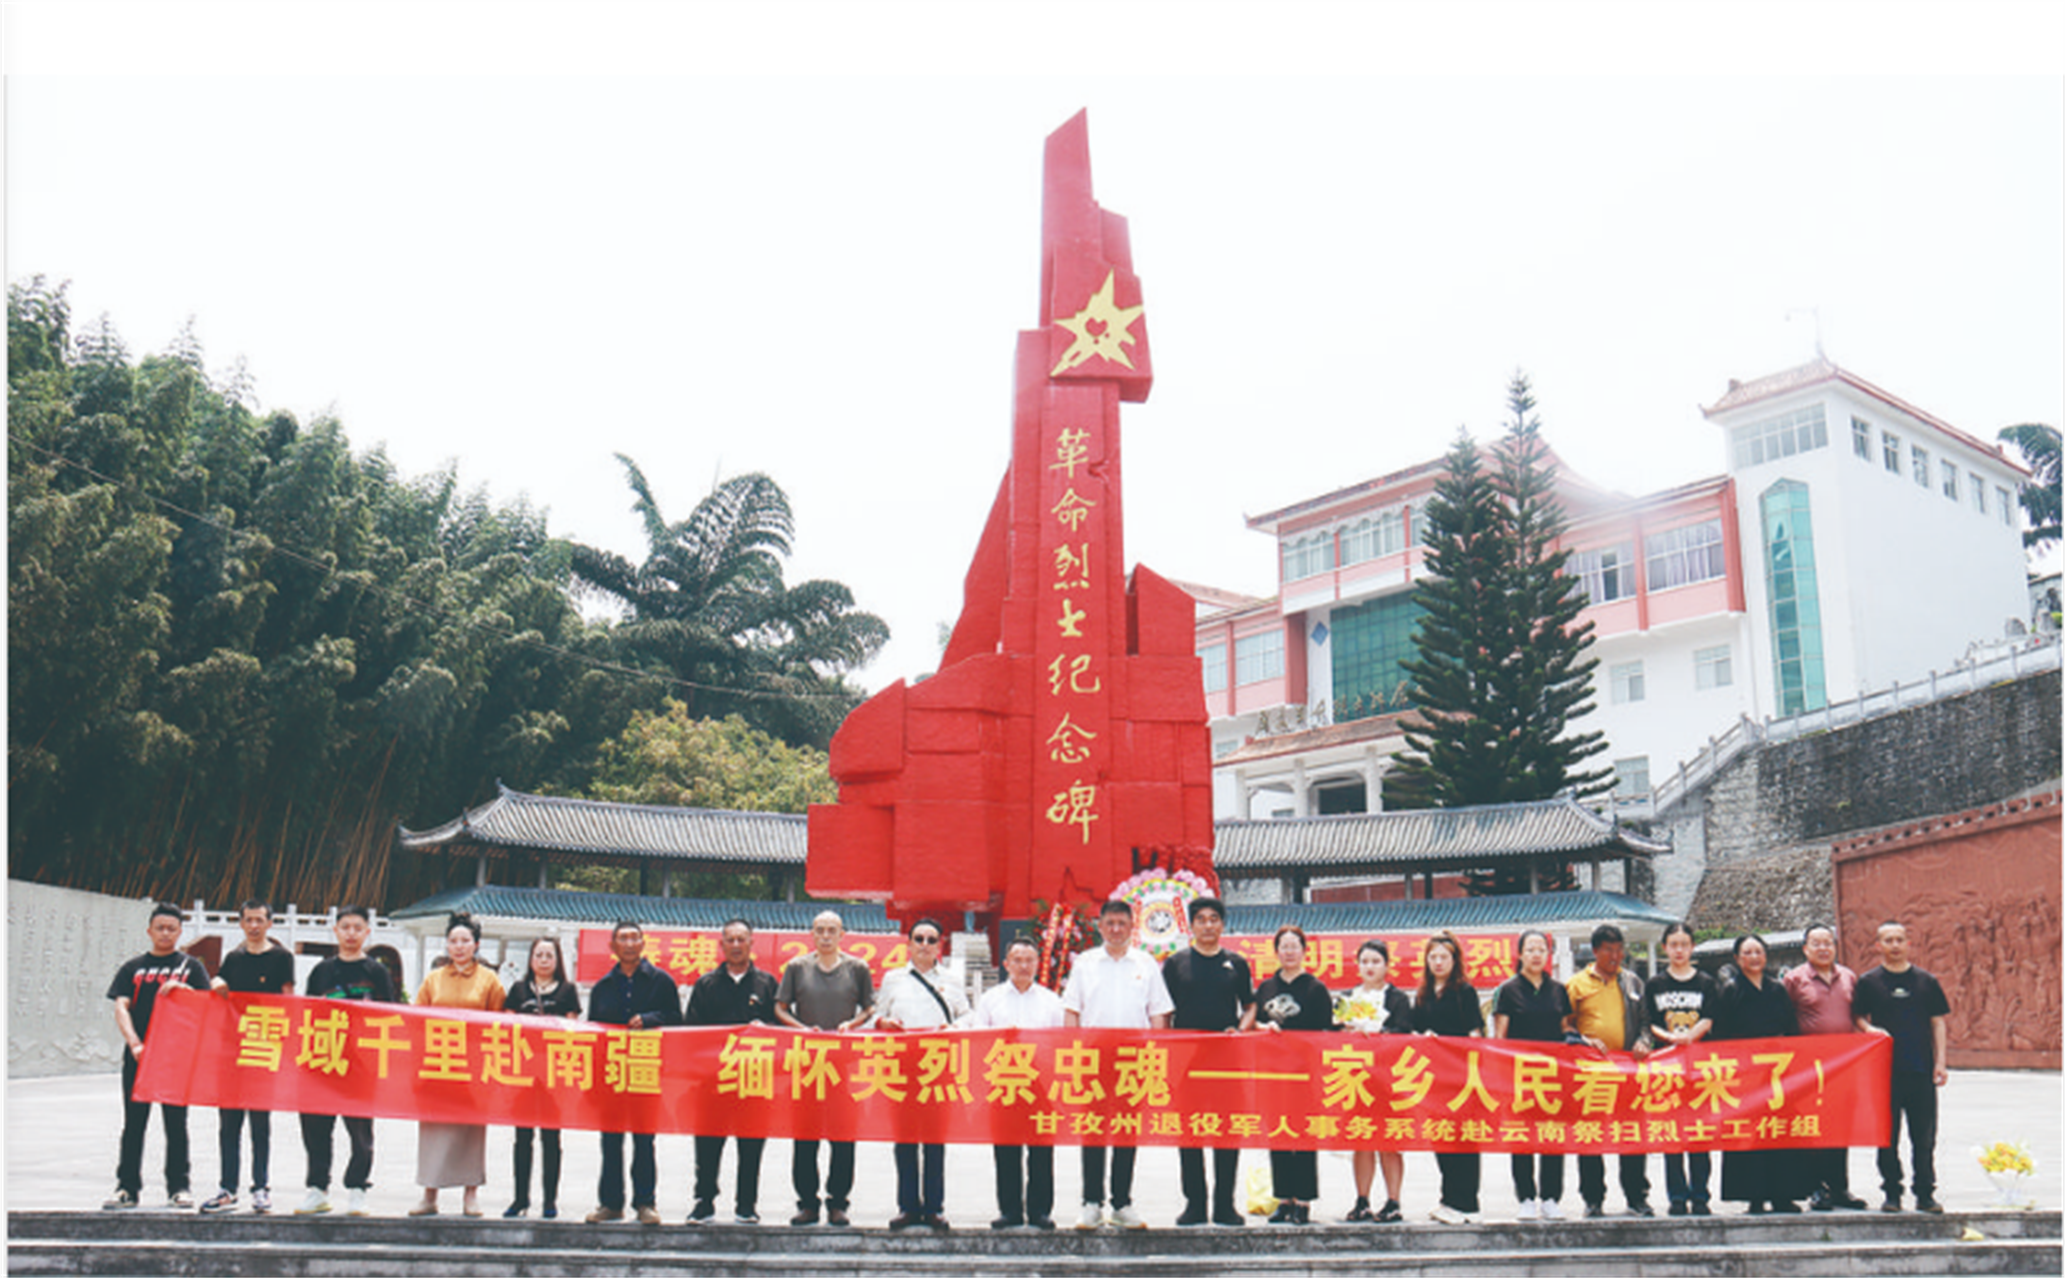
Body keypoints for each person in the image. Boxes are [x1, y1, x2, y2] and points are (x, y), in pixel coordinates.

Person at [1062, 898, 1173, 1230]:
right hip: (1093, 1058)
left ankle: (1122, 1203)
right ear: (1100, 927)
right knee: (1093, 1130)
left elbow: (1158, 1013)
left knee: (1126, 1130)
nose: (1115, 929)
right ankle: (1091, 1202)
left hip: (1133, 1060)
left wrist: (1156, 1056)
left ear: (1131, 927)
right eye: (1109, 923)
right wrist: (1073, 1055)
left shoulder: (1146, 963)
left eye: (1122, 923)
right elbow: (1072, 1011)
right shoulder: (1085, 963)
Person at [104, 902, 212, 1211]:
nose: (165, 933)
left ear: (180, 932)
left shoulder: (191, 968)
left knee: (176, 1124)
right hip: (139, 1057)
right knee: (133, 1123)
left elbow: (206, 1005)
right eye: (160, 928)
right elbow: (121, 1007)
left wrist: (183, 989)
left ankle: (179, 1188)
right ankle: (127, 1188)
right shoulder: (133, 968)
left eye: (172, 928)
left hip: (176, 1060)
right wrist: (135, 1044)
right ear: (149, 931)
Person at [1158, 896, 1255, 1227]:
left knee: (1227, 1131)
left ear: (1222, 924)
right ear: (1191, 925)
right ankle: (1195, 1203)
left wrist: (1239, 1030)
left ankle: (1225, 1204)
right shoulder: (1176, 964)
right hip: (1187, 1063)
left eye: (1214, 919)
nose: (1208, 925)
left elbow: (1250, 1005)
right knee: (1189, 1133)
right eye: (1201, 919)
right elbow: (1164, 1011)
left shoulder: (1236, 963)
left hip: (1227, 1061)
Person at [297, 905, 399, 1216]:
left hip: (361, 1065)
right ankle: (318, 1189)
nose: (351, 933)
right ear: (336, 931)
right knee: (316, 1128)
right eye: (345, 927)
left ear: (367, 932)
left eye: (357, 928)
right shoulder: (321, 971)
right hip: (324, 1060)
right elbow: (308, 1013)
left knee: (360, 1132)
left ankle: (357, 1190)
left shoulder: (376, 972)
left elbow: (390, 1016)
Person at [775, 909, 874, 1227]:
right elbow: (780, 1007)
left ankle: (838, 1203)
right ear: (812, 934)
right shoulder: (797, 967)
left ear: (842, 934)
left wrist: (852, 1023)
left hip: (844, 1065)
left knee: (843, 1136)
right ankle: (807, 1203)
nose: (826, 936)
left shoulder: (857, 968)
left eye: (832, 930)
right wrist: (801, 1028)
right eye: (820, 930)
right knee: (805, 1136)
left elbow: (869, 1007)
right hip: (807, 1063)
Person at [963, 935, 1067, 1230]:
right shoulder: (991, 999)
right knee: (1006, 1150)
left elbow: (1061, 1043)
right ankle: (1009, 1210)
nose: (1023, 966)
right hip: (1003, 1081)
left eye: (1029, 960)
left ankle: (1040, 1211)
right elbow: (980, 1039)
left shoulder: (1051, 1001)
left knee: (1041, 1151)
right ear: (1006, 964)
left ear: (1037, 963)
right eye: (1017, 960)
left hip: (1041, 1083)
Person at [873, 917, 970, 1230]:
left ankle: (934, 1208)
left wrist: (953, 1027)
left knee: (934, 1140)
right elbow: (877, 1016)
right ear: (909, 943)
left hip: (937, 1067)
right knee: (904, 1140)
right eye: (919, 939)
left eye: (931, 940)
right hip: (901, 1067)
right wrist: (883, 1023)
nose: (925, 945)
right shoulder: (893, 979)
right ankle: (907, 1207)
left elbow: (968, 1016)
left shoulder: (952, 980)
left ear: (940, 945)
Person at [200, 899, 295, 1216]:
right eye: (248, 920)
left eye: (259, 920)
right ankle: (227, 1189)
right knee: (228, 1123)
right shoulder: (233, 958)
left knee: (260, 1123)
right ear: (241, 923)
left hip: (264, 1049)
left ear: (270, 923)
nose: (254, 926)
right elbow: (219, 991)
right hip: (232, 1050)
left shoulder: (282, 957)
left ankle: (261, 1188)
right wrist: (215, 981)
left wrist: (286, 1046)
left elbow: (288, 1000)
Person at [685, 918, 781, 1225]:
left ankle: (746, 1205)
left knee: (751, 1144)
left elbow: (781, 1027)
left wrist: (765, 1028)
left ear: (752, 943)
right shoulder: (706, 985)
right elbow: (691, 1031)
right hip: (712, 1081)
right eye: (731, 940)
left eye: (742, 939)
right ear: (721, 944)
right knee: (707, 1145)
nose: (736, 945)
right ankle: (704, 1202)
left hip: (753, 1078)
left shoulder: (767, 984)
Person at [585, 919, 681, 1225]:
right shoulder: (602, 987)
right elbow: (593, 1033)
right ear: (612, 946)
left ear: (643, 943)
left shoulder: (662, 982)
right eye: (622, 938)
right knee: (610, 1141)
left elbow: (677, 1021)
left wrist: (651, 1019)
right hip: (611, 1075)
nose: (628, 943)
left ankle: (645, 1203)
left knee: (644, 1140)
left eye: (634, 938)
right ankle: (610, 1203)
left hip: (646, 1071)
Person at [1853, 920, 1952, 1214]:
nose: (1894, 945)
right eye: (1888, 940)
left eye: (1899, 939)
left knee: (1924, 1137)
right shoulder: (1869, 982)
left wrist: (1941, 1062)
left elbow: (1938, 1022)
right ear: (1878, 946)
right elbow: (1858, 1017)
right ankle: (1892, 1192)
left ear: (1908, 943)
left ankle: (1925, 1192)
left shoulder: (1926, 981)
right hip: (1884, 1073)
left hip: (1920, 1069)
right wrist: (1869, 1029)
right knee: (1887, 1136)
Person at [411, 913, 505, 1217]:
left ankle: (470, 1194)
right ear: (447, 945)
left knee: (471, 1131)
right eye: (453, 940)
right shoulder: (433, 979)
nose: (459, 946)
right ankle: (429, 1194)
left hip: (473, 1068)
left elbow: (500, 1024)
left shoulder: (489, 980)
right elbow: (417, 1021)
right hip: (437, 1065)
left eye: (465, 940)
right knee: (433, 1130)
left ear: (476, 944)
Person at [1713, 933, 1808, 1214]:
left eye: (1758, 952)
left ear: (1765, 956)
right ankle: (1754, 1196)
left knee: (1780, 1131)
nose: (1754, 957)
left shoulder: (1777, 989)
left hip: (1777, 1072)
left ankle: (1783, 1195)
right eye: (1748, 952)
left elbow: (1791, 1028)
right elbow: (1721, 1033)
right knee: (1750, 1133)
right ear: (1737, 958)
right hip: (1746, 1074)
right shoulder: (1731, 990)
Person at [1564, 924, 1653, 1219]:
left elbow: (1646, 1022)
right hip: (1590, 1074)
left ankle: (1637, 1197)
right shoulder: (1576, 984)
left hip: (1628, 1072)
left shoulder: (1632, 982)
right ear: (1595, 951)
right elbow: (1565, 1025)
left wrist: (1643, 1041)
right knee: (1590, 1137)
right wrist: (1583, 1040)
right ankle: (1593, 1199)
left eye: (1619, 950)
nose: (1615, 956)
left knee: (1631, 1134)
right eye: (1608, 950)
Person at [1783, 922, 1868, 1212]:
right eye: (1816, 943)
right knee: (1813, 1126)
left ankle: (1839, 1187)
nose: (1823, 948)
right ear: (1805, 948)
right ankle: (1816, 1187)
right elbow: (1785, 1019)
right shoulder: (1794, 979)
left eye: (1827, 943)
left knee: (1840, 1126)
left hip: (1842, 1065)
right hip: (1808, 1067)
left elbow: (1857, 1017)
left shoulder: (1849, 977)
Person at [1253, 925, 1330, 1225]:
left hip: (1305, 1073)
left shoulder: (1316, 989)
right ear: (1276, 952)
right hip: (1274, 1074)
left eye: (1294, 946)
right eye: (1283, 946)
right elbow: (1254, 1023)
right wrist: (1263, 1028)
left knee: (1304, 1135)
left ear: (1304, 951)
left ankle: (1304, 1201)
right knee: (1278, 1134)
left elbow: (1325, 1031)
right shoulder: (1266, 988)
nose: (1288, 952)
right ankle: (1283, 1198)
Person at [1643, 921, 1718, 1217]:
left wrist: (1691, 1036)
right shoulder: (1655, 984)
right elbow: (1650, 1021)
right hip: (1667, 1068)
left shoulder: (1706, 982)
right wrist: (1671, 1038)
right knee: (1671, 1133)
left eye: (1684, 944)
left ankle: (1700, 1196)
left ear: (1692, 947)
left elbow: (1709, 1017)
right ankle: (1677, 1196)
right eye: (1673, 944)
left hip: (1700, 1068)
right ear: (1665, 948)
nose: (1679, 950)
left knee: (1700, 1133)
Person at [503, 936, 581, 1219]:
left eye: (549, 955)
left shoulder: (568, 990)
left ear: (557, 960)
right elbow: (506, 1026)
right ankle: (520, 1199)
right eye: (539, 955)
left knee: (551, 1139)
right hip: (524, 1075)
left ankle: (549, 1201)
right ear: (531, 958)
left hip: (553, 1075)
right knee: (522, 1139)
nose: (544, 960)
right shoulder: (518, 989)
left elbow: (573, 1030)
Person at [1494, 929, 1569, 1223]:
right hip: (1520, 1076)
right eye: (1530, 949)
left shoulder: (1559, 990)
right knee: (1523, 1136)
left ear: (1549, 954)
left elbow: (1565, 1029)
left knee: (1552, 1136)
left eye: (1541, 949)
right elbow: (1500, 1037)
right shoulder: (1508, 990)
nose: (1536, 955)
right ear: (1520, 954)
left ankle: (1551, 1198)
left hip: (1552, 1076)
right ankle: (1525, 1197)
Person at [1411, 932, 1484, 1225]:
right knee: (1441, 1137)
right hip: (1434, 1078)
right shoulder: (1423, 994)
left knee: (1463, 1139)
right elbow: (1414, 1031)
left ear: (1455, 960)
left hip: (1461, 1077)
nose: (1438, 962)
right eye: (1433, 957)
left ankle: (1467, 1203)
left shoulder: (1464, 991)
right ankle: (1449, 1199)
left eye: (1444, 957)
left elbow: (1475, 1031)